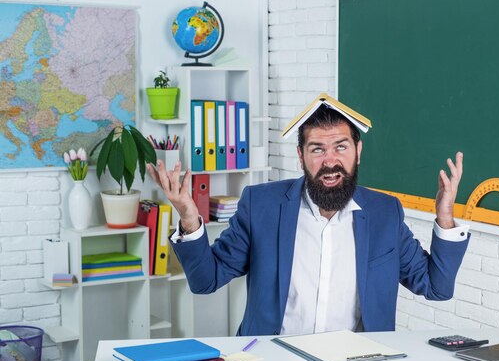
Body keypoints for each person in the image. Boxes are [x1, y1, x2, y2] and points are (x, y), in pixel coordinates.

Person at [147, 105, 469, 336]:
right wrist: (189, 217)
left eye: (341, 147)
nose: (330, 161)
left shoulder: (386, 213)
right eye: (317, 149)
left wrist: (445, 218)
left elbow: (437, 287)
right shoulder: (262, 206)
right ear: (300, 156)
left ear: (358, 151)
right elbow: (206, 280)